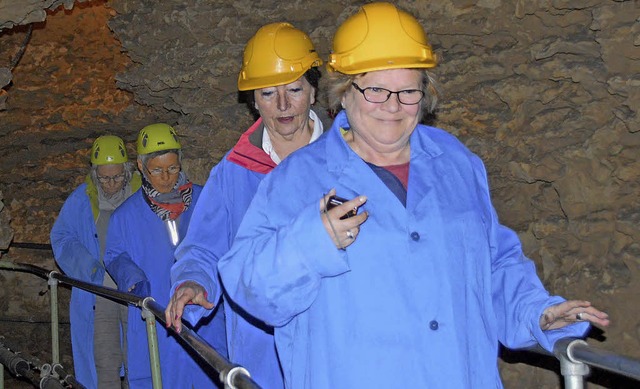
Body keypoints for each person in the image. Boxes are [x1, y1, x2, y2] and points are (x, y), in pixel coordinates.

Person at [216, 3, 610, 388]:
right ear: (344, 91)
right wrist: (311, 242)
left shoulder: (457, 162)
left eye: (408, 91)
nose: (392, 106)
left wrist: (536, 313)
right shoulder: (297, 178)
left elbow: (493, 264)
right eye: (375, 90)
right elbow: (247, 283)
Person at [164, 22, 329, 388]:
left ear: (313, 92)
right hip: (261, 349)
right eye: (268, 93)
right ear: (253, 100)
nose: (283, 105)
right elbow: (204, 247)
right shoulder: (235, 172)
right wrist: (193, 281)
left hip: (335, 345)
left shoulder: (349, 161)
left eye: (294, 89)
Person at [103, 123, 226, 389]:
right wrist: (133, 279)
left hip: (203, 315)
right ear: (140, 166)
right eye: (157, 170)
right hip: (157, 314)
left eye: (172, 168)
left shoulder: (206, 201)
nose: (166, 177)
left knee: (210, 374)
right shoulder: (126, 216)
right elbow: (114, 255)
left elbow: (224, 243)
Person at [51, 135, 141, 389]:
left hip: (134, 289)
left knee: (139, 357)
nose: (111, 184)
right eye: (104, 178)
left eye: (117, 177)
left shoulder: (141, 194)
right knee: (104, 358)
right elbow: (61, 236)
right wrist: (90, 269)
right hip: (99, 292)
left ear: (127, 171)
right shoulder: (82, 199)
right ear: (94, 174)